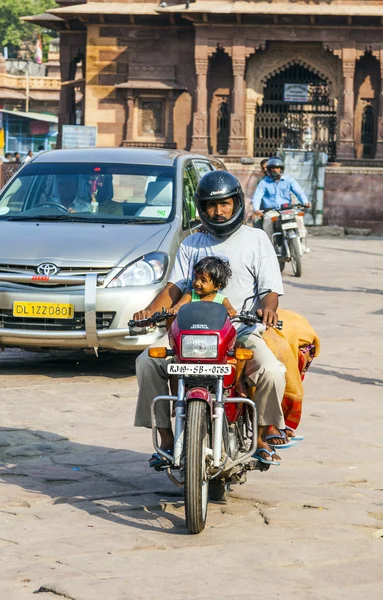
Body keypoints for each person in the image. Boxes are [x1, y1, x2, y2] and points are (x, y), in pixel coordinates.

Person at [133, 170, 287, 467]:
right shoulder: (192, 243)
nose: (218, 212)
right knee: (147, 362)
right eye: (210, 206)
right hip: (192, 334)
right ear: (201, 209)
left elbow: (270, 291)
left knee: (271, 370)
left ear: (237, 203)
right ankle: (166, 439)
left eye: (225, 204)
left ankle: (263, 437)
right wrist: (151, 311)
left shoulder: (256, 239)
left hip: (239, 332)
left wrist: (269, 309)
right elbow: (174, 287)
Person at [252, 156, 310, 250]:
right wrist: (256, 209)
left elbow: (299, 191)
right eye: (272, 168)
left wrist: (305, 202)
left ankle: (299, 241)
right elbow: (257, 197)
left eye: (276, 168)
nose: (274, 170)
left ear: (281, 169)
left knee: (298, 216)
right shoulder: (264, 182)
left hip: (287, 210)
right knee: (267, 220)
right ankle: (269, 246)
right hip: (272, 212)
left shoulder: (288, 180)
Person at [170, 256, 236, 317]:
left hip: (214, 329)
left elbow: (229, 308)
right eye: (196, 278)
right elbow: (179, 306)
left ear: (216, 286)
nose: (197, 283)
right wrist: (175, 309)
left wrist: (230, 311)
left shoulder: (221, 299)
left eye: (203, 280)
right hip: (192, 328)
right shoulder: (190, 295)